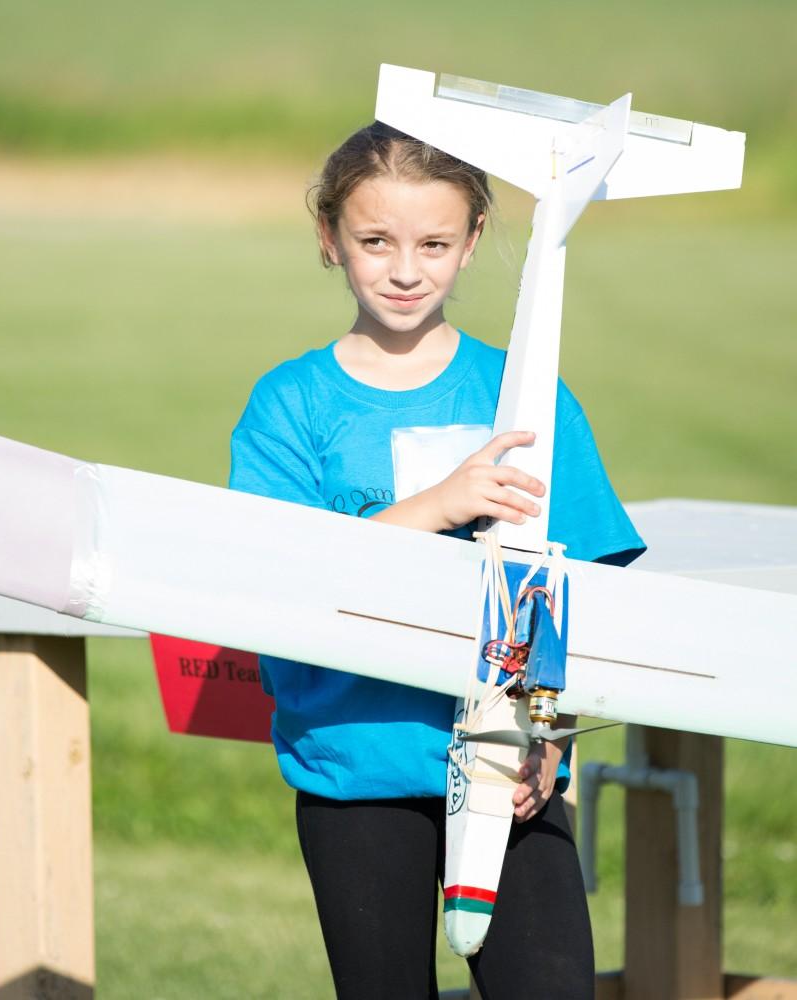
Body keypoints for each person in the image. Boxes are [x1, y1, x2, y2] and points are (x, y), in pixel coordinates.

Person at [229, 121, 644, 1000]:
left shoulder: (524, 392)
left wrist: (548, 735)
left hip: (510, 770)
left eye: (433, 243)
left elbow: (576, 592)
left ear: (474, 241)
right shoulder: (291, 406)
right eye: (374, 240)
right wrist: (438, 506)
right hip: (356, 763)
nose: (404, 268)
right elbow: (282, 576)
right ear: (328, 238)